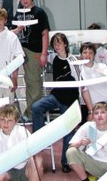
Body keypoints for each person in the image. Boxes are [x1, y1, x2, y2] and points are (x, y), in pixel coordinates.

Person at [32, 32, 92, 173]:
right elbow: (39, 56)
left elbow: (81, 82)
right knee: (36, 107)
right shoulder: (53, 58)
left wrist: (84, 105)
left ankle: (66, 161)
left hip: (70, 100)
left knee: (69, 130)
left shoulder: (73, 60)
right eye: (54, 43)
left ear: (65, 44)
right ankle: (38, 141)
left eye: (59, 42)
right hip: (56, 96)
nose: (56, 45)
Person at [13, 0, 50, 120]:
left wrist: (44, 54)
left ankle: (33, 114)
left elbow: (45, 34)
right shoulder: (18, 13)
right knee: (16, 81)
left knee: (33, 83)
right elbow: (11, 33)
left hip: (34, 50)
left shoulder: (39, 12)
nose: (25, 0)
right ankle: (25, 113)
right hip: (19, 50)